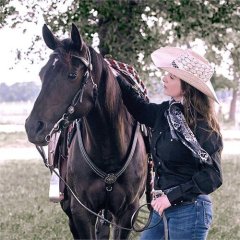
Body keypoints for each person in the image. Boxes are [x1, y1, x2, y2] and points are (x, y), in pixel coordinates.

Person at [116, 47, 223, 240]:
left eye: (172, 77)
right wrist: (114, 76)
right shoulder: (164, 113)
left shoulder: (203, 126)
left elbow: (213, 175)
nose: (164, 79)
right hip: (161, 208)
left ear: (187, 86)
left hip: (190, 210)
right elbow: (138, 107)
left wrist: (171, 197)